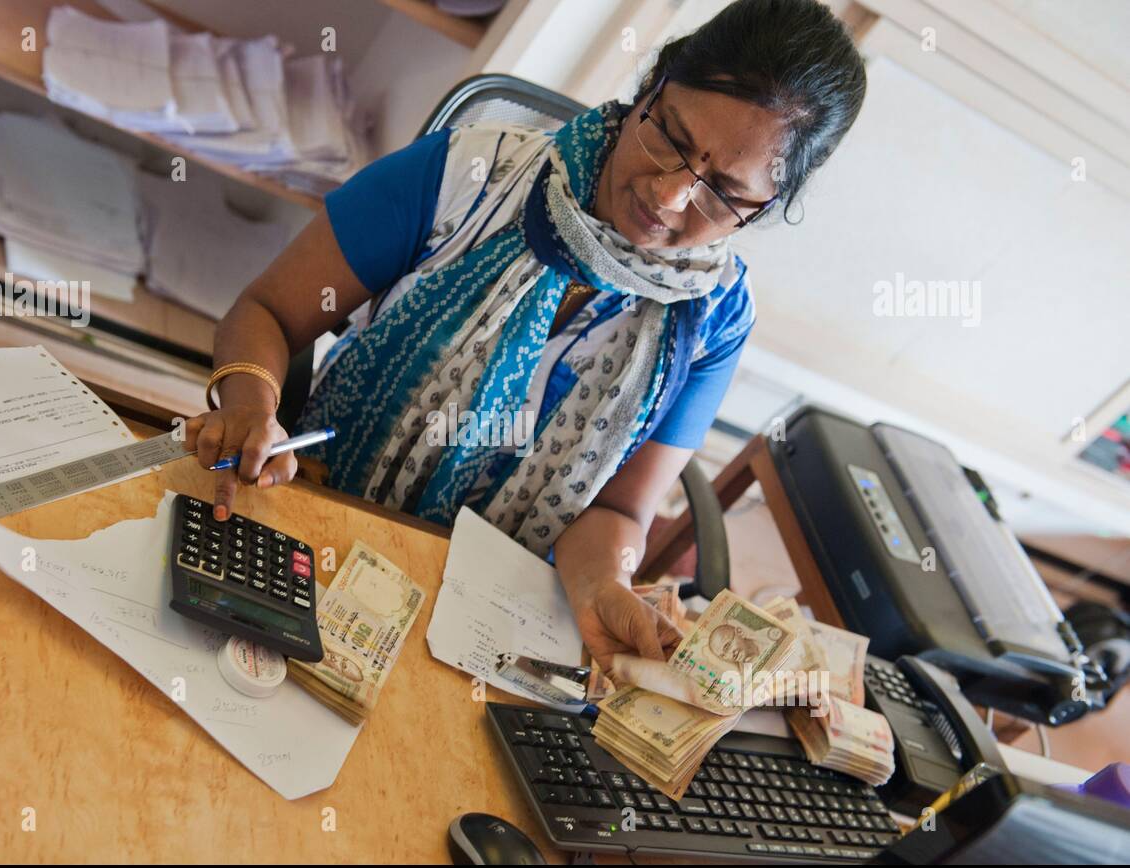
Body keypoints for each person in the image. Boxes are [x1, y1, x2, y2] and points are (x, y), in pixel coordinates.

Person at [183, 0, 867, 668]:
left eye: (722, 190)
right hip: (321, 514)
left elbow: (620, 508)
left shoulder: (713, 319)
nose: (668, 196)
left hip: (484, 613)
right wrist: (251, 408)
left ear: (765, 207)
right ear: (649, 90)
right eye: (670, 139)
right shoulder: (469, 174)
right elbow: (267, 311)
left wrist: (602, 585)